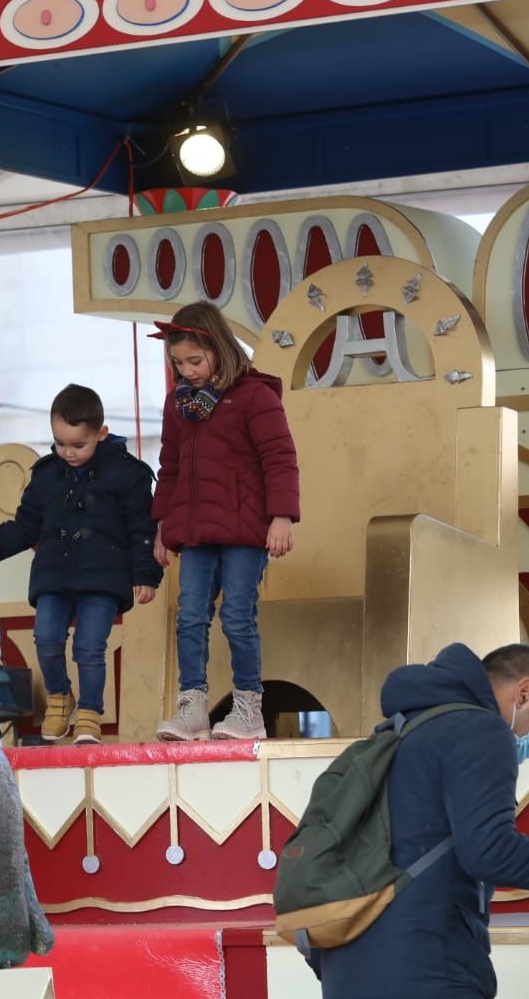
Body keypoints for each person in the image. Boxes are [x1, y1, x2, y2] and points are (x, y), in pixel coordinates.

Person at [312, 643, 529, 998]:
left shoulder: (405, 727)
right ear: (523, 694)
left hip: (351, 965)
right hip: (425, 966)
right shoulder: (482, 732)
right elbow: (490, 851)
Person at [151, 301, 300, 742]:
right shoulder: (179, 404)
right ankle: (192, 705)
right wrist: (162, 525)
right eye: (179, 363)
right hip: (196, 533)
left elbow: (280, 457)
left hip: (244, 530)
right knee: (190, 616)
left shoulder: (255, 396)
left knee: (237, 616)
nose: (187, 370)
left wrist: (282, 516)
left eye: (195, 360)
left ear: (219, 348)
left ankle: (248, 707)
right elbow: (170, 466)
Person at [0, 384, 162, 745]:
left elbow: (141, 528)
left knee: (89, 646)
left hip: (102, 579)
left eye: (78, 445)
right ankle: (59, 696)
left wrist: (145, 574)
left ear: (101, 433)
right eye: (59, 443)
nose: (67, 452)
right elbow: (26, 526)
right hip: (54, 575)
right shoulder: (46, 474)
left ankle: (89, 711)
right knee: (47, 638)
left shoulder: (128, 475)